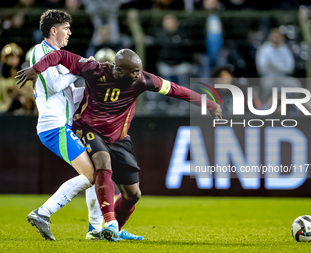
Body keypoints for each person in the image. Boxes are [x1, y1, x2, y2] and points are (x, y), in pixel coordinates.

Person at [16, 48, 222, 242]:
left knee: (133, 194)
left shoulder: (143, 80)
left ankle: (114, 231)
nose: (137, 76)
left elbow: (176, 90)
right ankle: (110, 222)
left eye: (138, 71)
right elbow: (60, 55)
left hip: (119, 138)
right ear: (117, 69)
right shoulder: (94, 70)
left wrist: (209, 103)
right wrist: (37, 68)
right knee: (102, 161)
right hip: (89, 130)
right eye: (133, 72)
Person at [21, 9, 97, 241]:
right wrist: (82, 69)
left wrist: (96, 90)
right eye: (66, 28)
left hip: (61, 125)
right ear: (53, 30)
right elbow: (54, 85)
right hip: (53, 127)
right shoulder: (39, 52)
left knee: (96, 171)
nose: (69, 32)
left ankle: (96, 229)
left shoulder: (60, 57)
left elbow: (70, 95)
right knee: (92, 174)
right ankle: (42, 213)